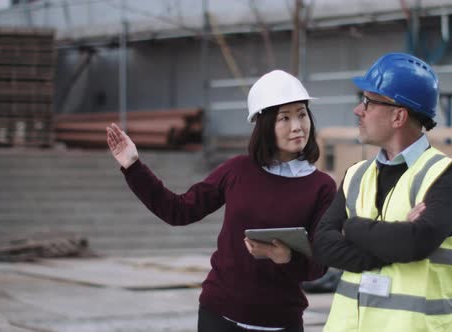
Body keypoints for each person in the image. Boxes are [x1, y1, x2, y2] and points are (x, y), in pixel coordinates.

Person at [106, 70, 336, 332]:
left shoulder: (321, 187)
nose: (297, 126)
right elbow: (178, 211)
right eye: (285, 117)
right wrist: (133, 166)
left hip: (281, 323)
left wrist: (284, 257)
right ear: (264, 124)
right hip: (220, 318)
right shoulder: (237, 170)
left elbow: (318, 265)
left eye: (302, 114)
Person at [312, 52, 452, 332]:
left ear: (399, 116)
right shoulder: (356, 175)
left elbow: (415, 242)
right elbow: (322, 244)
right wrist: (390, 242)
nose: (358, 110)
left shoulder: (446, 178)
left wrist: (350, 228)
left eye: (368, 101)